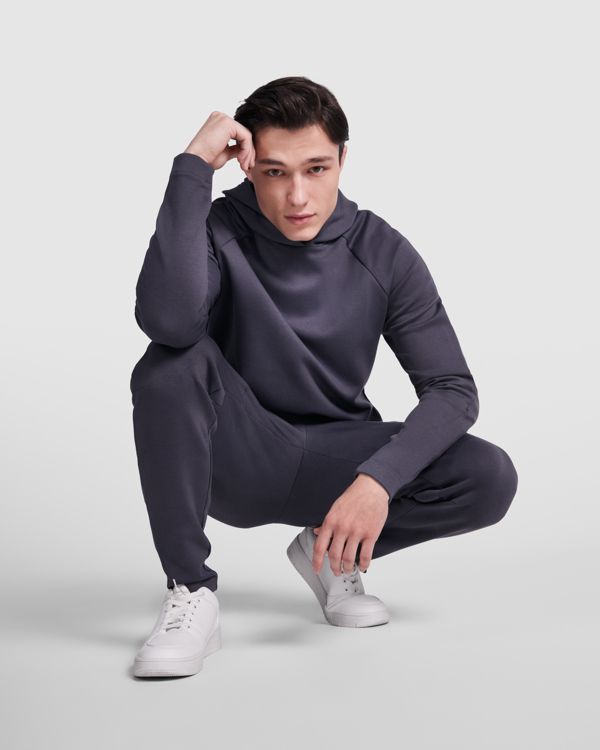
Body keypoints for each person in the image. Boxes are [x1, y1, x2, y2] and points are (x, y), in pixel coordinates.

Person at [129, 76, 518, 678]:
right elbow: (169, 321)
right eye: (275, 172)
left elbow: (452, 390)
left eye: (316, 169)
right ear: (247, 167)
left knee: (487, 475)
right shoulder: (216, 227)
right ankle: (191, 590)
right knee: (168, 365)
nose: (298, 196)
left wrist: (377, 482)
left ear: (342, 159)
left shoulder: (383, 250)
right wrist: (192, 168)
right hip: (237, 453)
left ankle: (331, 553)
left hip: (336, 465)